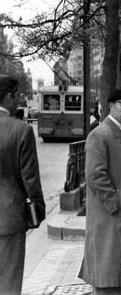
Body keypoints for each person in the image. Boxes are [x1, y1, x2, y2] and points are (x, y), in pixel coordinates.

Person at [79, 88, 121, 294]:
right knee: (108, 277)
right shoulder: (100, 134)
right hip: (110, 217)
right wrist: (115, 204)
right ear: (110, 106)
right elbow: (95, 176)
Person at [0, 76, 45, 295]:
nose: (18, 100)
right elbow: (30, 179)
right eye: (17, 95)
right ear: (9, 96)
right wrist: (38, 210)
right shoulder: (20, 130)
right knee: (9, 278)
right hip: (9, 217)